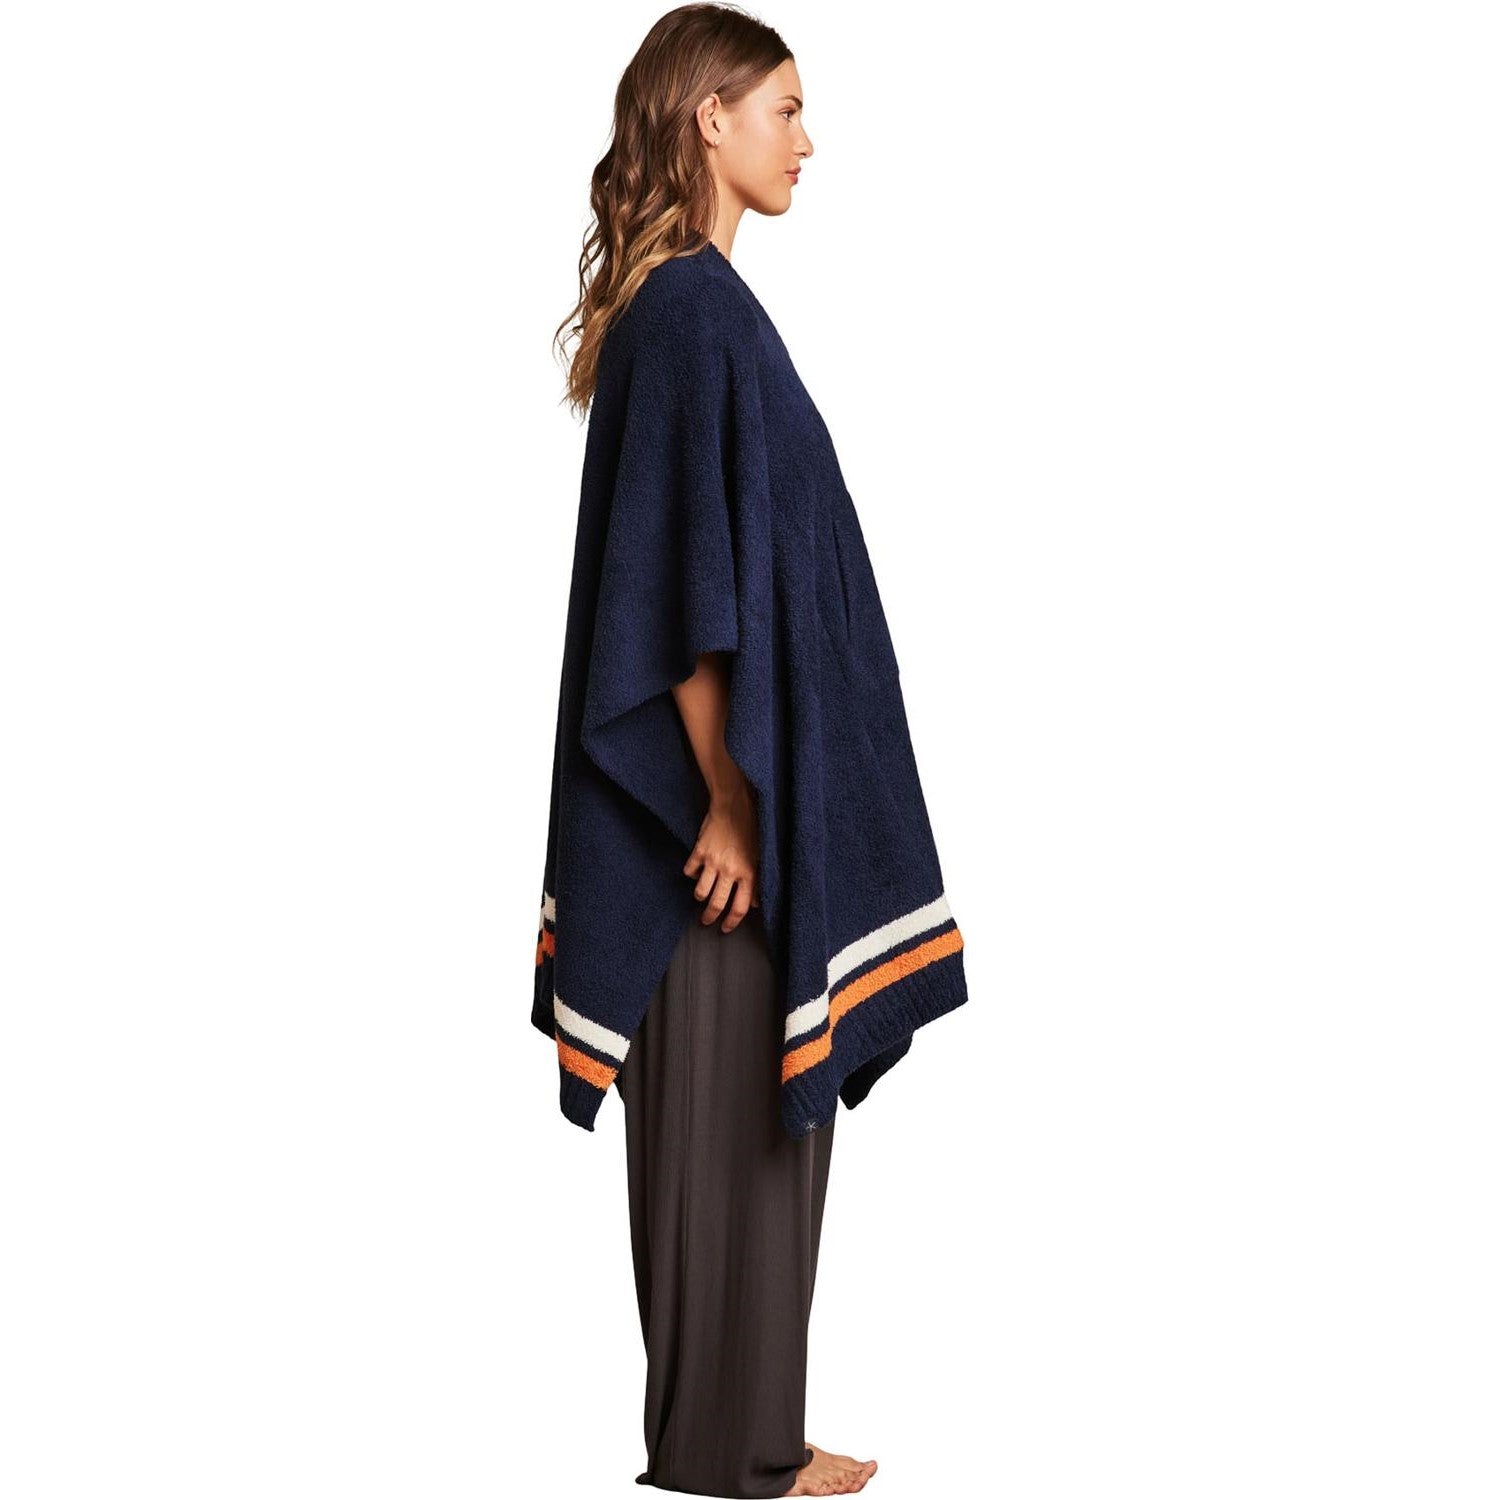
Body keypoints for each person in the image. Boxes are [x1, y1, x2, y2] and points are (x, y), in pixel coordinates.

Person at [533, 6, 970, 1496]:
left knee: (760, 1127)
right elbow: (676, 596)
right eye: (785, 107)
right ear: (708, 118)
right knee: (726, 1123)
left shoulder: (701, 309)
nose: (807, 139)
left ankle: (750, 1436)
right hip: (713, 827)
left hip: (749, 808)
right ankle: (731, 1452)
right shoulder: (688, 315)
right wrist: (728, 800)